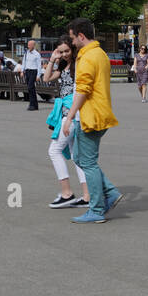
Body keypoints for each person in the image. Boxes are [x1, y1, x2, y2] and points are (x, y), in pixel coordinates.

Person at [64, 18, 123, 224]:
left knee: (86, 162)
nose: (71, 43)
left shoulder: (87, 57)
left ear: (81, 36)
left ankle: (97, 209)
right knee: (80, 158)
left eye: (72, 38)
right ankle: (111, 193)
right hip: (99, 113)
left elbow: (82, 89)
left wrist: (69, 116)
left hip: (90, 116)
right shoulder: (99, 53)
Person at [43, 37, 90, 209]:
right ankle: (86, 195)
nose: (64, 54)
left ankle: (67, 193)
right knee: (75, 155)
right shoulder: (63, 66)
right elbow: (46, 78)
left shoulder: (78, 65)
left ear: (72, 49)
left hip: (71, 114)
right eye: (61, 51)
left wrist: (70, 118)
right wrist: (52, 59)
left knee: (54, 150)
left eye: (66, 51)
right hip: (66, 113)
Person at [22, 40, 42, 112]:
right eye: (28, 45)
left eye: (30, 45)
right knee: (30, 88)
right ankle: (35, 105)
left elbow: (39, 65)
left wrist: (38, 75)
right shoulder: (26, 53)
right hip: (27, 71)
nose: (28, 46)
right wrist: (22, 71)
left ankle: (32, 104)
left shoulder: (37, 54)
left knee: (30, 87)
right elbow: (24, 62)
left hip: (34, 71)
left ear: (33, 45)